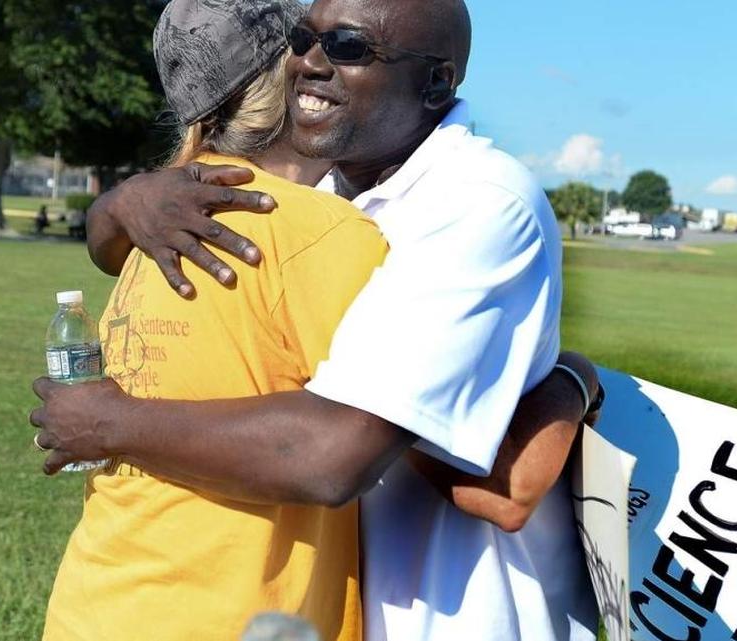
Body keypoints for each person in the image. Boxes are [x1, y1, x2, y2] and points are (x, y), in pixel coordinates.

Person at [31, 1, 600, 640]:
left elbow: (339, 455)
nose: (310, 62)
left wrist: (108, 421)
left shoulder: (477, 204)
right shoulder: (315, 208)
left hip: (453, 613)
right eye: (302, 39)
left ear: (438, 81)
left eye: (350, 47)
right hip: (313, 603)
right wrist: (122, 202)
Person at [40, 1, 382, 639]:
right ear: (292, 73)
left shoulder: (149, 226)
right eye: (318, 45)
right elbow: (352, 448)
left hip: (95, 606)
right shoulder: (325, 235)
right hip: (229, 620)